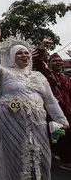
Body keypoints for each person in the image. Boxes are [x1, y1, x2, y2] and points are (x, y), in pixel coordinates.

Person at [0, 28, 69, 180]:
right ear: (11, 57)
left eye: (26, 53)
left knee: (41, 156)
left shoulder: (39, 76)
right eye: (19, 53)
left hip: (38, 125)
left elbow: (50, 100)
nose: (24, 55)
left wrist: (61, 120)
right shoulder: (4, 73)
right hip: (12, 123)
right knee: (16, 159)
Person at [33, 37, 71, 170]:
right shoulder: (47, 75)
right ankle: (63, 160)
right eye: (55, 61)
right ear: (49, 63)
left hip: (68, 112)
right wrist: (42, 44)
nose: (58, 62)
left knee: (65, 136)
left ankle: (62, 157)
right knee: (59, 135)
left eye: (60, 61)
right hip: (52, 113)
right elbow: (38, 61)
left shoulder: (66, 78)